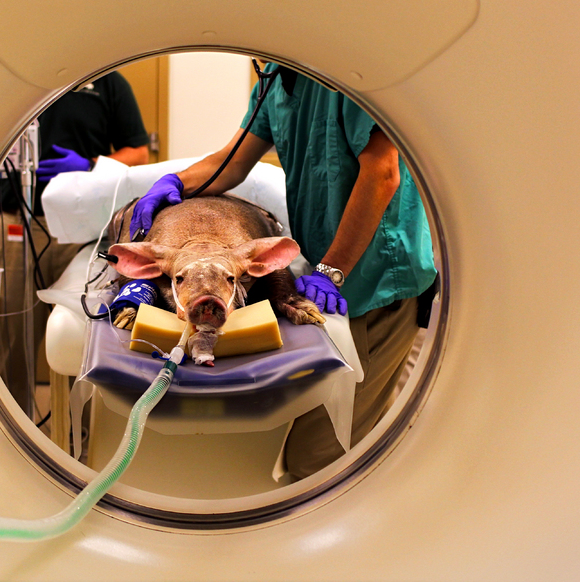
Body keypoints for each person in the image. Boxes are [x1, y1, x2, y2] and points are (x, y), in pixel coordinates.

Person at [129, 63, 436, 480]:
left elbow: (383, 172)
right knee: (310, 449)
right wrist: (175, 182)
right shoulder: (274, 81)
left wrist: (332, 270)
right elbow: (231, 164)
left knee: (323, 459)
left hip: (375, 277)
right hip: (325, 272)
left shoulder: (344, 70)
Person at [0, 71, 150, 415]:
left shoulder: (108, 83)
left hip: (80, 227)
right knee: (13, 336)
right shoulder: (16, 74)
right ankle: (10, 424)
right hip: (18, 219)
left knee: (78, 332)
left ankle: (79, 433)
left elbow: (138, 153)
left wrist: (91, 165)